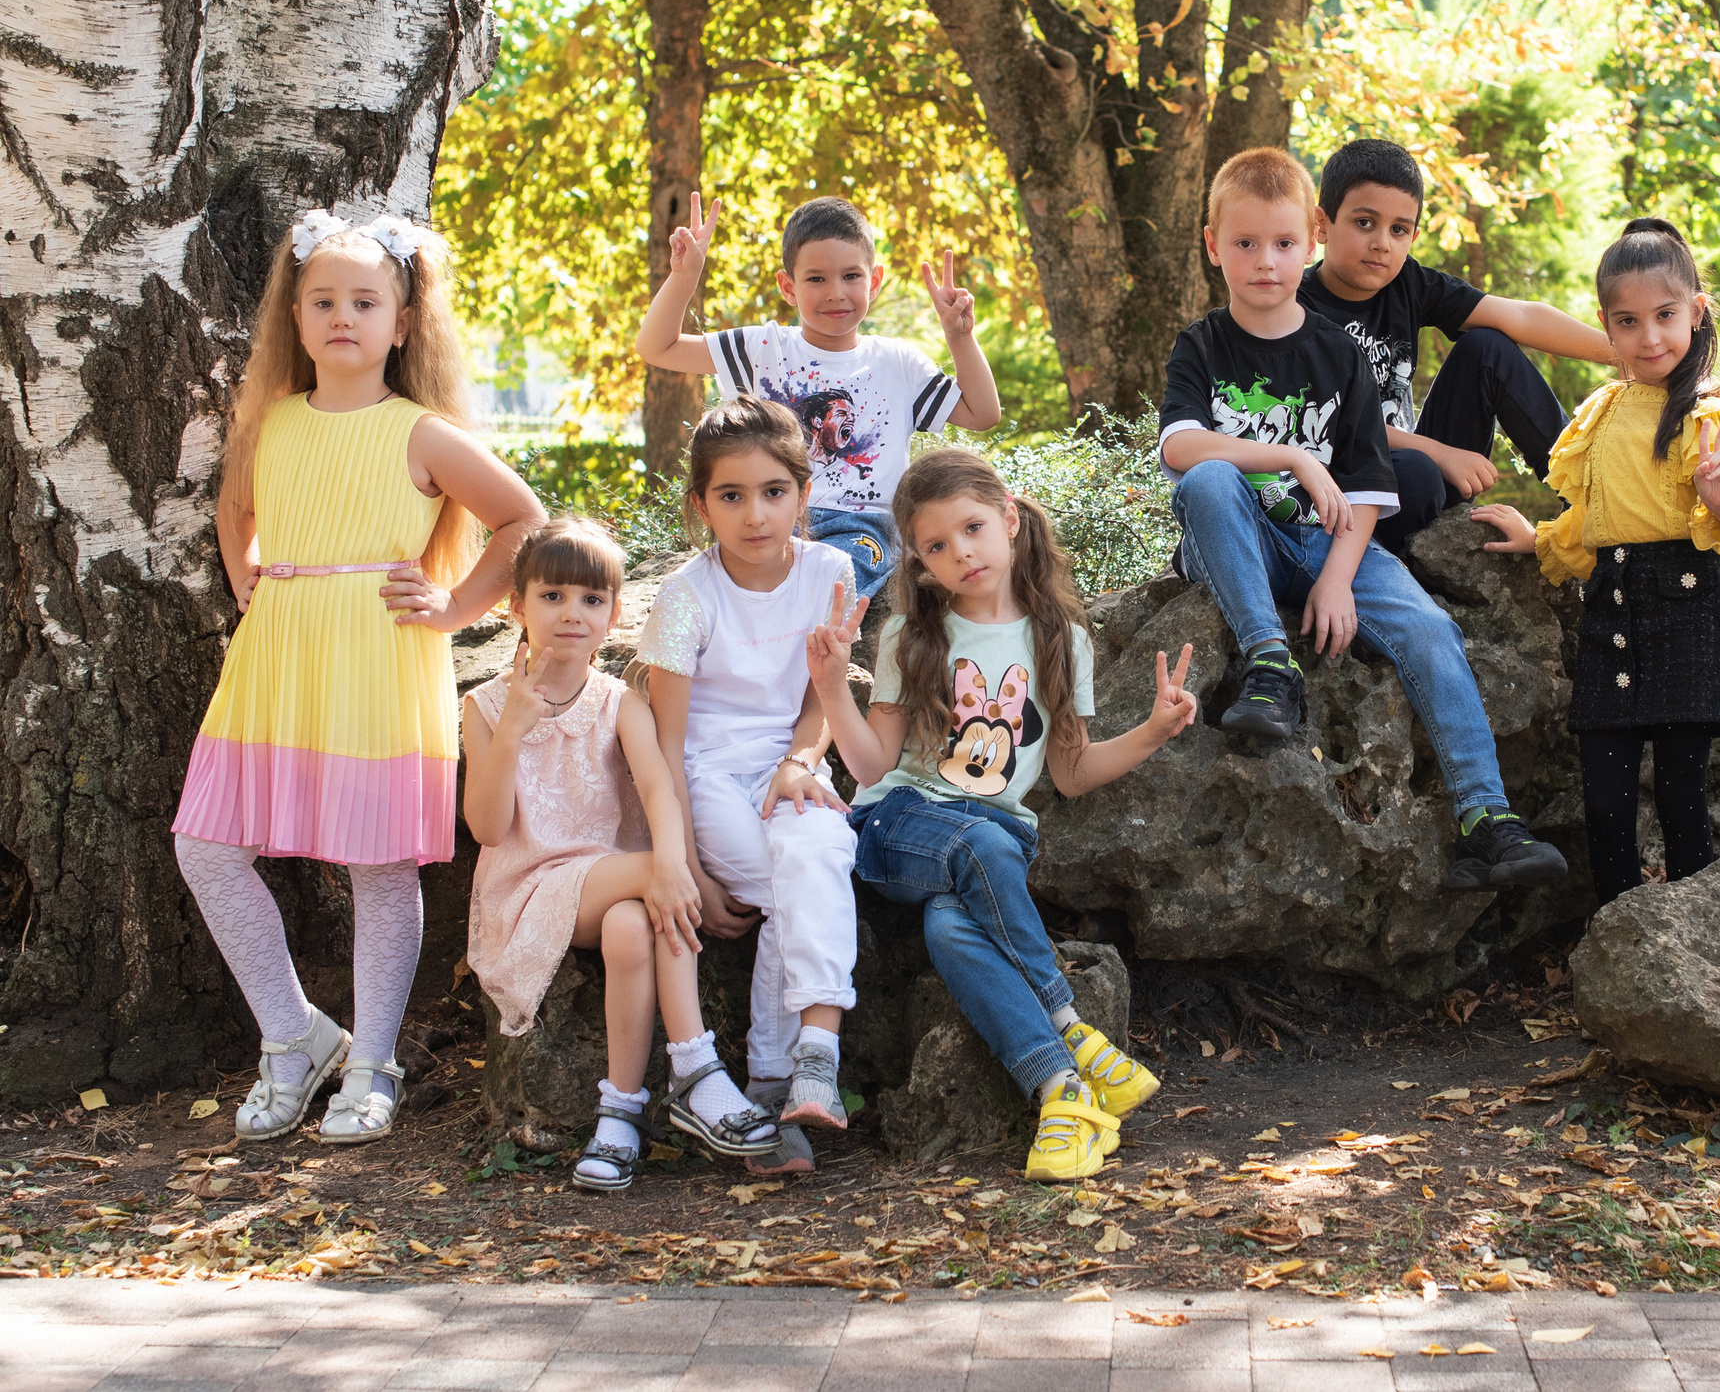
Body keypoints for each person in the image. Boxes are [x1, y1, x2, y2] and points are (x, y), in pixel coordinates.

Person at [174, 209, 545, 1144]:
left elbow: (522, 519)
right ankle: (293, 1036)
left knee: (377, 865)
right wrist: (246, 576)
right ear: (294, 320)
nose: (344, 316)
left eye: (366, 301)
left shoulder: (419, 433)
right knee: (207, 846)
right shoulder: (273, 421)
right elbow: (236, 505)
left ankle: (373, 1062)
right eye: (323, 301)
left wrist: (456, 609)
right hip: (278, 654)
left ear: (402, 322)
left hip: (379, 655)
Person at [1159, 147, 1568, 894]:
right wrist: (1291, 454)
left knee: (1430, 629)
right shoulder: (1204, 345)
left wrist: (1339, 581)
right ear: (1213, 245)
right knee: (1212, 478)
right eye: (1245, 243)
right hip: (1242, 534)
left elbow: (1373, 486)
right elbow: (1180, 446)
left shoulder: (1338, 353)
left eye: (1283, 244)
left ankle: (1488, 821)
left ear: (1307, 244)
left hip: (1330, 541)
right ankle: (1268, 662)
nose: (1266, 262)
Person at [805, 449, 1197, 1182]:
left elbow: (1073, 774)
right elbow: (868, 764)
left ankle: (1061, 1089)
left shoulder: (1062, 639)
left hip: (994, 842)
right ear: (920, 563)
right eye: (936, 546)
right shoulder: (911, 636)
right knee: (978, 840)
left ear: (1010, 518)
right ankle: (1069, 1022)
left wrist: (1153, 730)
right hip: (897, 825)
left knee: (952, 925)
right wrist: (831, 690)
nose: (961, 552)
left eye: (973, 528)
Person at [1472, 221, 1720, 905]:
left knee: (1684, 801)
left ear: (1696, 312)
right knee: (1607, 803)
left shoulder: (1714, 417)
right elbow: (1595, 522)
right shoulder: (1602, 411)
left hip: (1687, 608)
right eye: (1629, 321)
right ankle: (1615, 936)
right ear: (1606, 325)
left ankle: (1694, 946)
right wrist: (1540, 540)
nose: (1650, 338)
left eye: (1666, 316)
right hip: (1612, 607)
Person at [463, 518, 775, 1189]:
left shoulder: (621, 701)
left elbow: (659, 782)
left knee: (635, 925)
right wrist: (513, 733)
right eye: (552, 597)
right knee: (653, 879)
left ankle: (621, 1112)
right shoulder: (486, 706)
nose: (572, 613)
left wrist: (666, 865)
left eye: (591, 599)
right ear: (516, 606)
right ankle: (695, 1065)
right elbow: (488, 829)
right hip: (531, 888)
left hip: (615, 888)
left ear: (614, 612)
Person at [632, 398, 860, 1175]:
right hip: (706, 777)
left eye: (773, 491)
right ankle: (782, 1073)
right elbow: (665, 741)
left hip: (788, 762)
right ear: (701, 506)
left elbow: (819, 696)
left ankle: (801, 1069)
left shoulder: (832, 570)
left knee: (824, 841)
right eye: (731, 496)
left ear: (802, 493)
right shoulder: (685, 595)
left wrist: (803, 760)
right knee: (798, 883)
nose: (755, 513)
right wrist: (687, 862)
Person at [635, 193, 1001, 602]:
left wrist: (960, 337)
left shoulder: (897, 362)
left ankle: (803, 646)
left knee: (833, 582)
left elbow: (983, 413)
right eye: (816, 279)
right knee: (733, 581)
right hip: (772, 518)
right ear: (788, 287)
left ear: (874, 281)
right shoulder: (764, 348)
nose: (835, 293)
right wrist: (684, 278)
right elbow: (657, 348)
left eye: (851, 276)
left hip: (863, 529)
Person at [1298, 138, 1618, 554]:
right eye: (1364, 223)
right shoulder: (1297, 309)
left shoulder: (1406, 283)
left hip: (1416, 469)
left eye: (1398, 230)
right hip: (1347, 489)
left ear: (1413, 234)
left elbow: (1518, 316)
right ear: (1321, 224)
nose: (1382, 243)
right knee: (1418, 473)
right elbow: (1336, 425)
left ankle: (1593, 503)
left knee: (1487, 348)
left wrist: (1623, 351)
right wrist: (1441, 453)